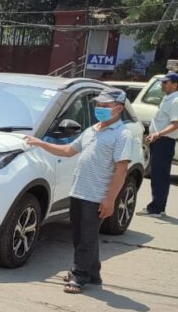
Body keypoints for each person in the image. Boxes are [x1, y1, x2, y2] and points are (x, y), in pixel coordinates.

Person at [23, 88, 132, 294]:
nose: (99, 108)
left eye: (105, 106)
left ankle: (79, 275)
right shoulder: (92, 130)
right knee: (81, 236)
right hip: (78, 192)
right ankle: (93, 274)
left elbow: (121, 170)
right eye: (98, 104)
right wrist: (40, 143)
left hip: (96, 196)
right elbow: (68, 151)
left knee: (86, 238)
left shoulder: (122, 135)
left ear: (118, 108)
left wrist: (110, 200)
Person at [137, 72, 178, 218]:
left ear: (175, 85)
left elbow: (175, 124)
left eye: (166, 83)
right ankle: (157, 206)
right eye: (162, 82)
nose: (162, 85)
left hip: (164, 142)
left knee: (160, 176)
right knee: (157, 175)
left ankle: (157, 209)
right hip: (159, 141)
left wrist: (158, 134)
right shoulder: (168, 98)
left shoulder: (176, 100)